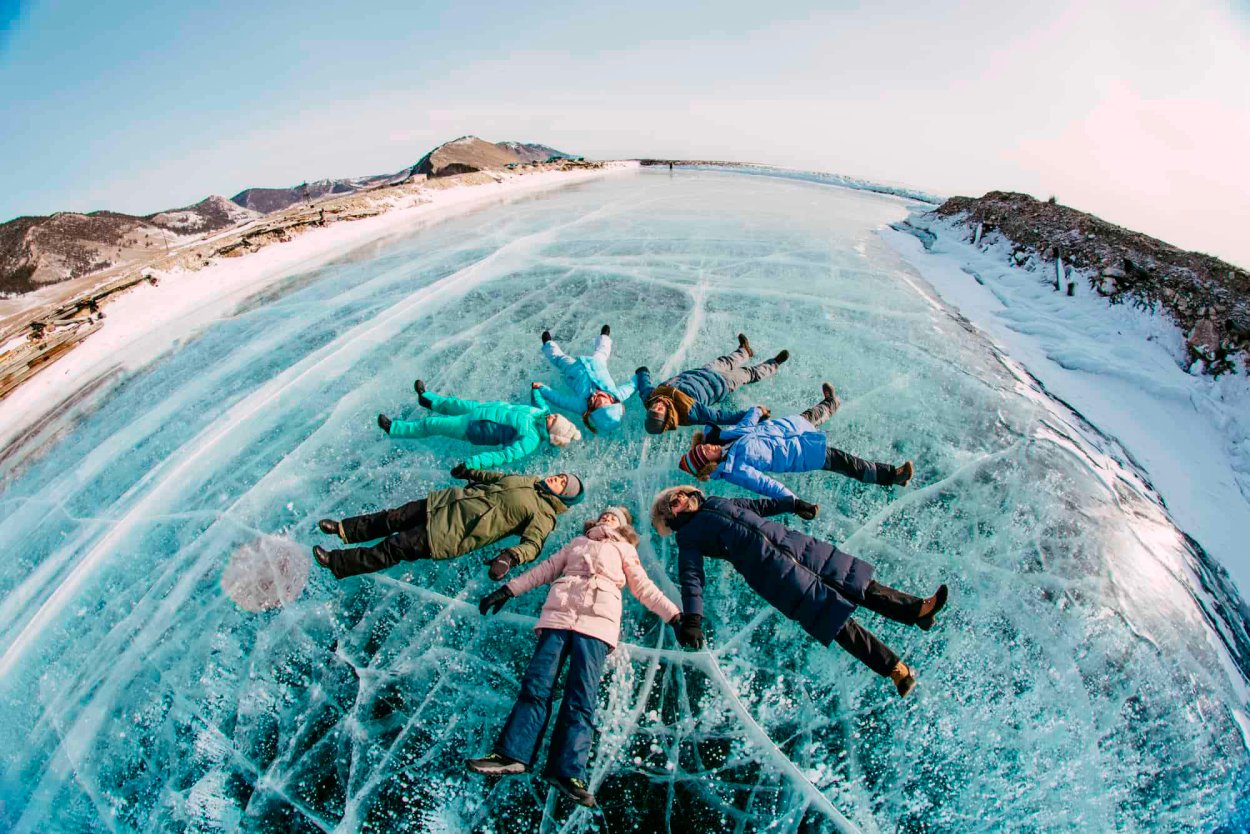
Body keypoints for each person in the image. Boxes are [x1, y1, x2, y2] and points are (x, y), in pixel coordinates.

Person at [467, 507, 680, 807]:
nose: (608, 517)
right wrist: (508, 590)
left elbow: (643, 588)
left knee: (580, 697)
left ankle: (567, 772)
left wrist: (675, 616)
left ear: (623, 526)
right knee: (536, 686)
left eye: (614, 517)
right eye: (606, 514)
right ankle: (511, 755)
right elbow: (544, 570)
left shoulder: (624, 549)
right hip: (557, 618)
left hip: (597, 623)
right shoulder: (577, 543)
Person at [650, 485, 947, 697]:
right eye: (672, 502)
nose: (679, 497)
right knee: (839, 624)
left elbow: (760, 506)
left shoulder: (718, 501)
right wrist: (693, 619)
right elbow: (691, 577)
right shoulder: (688, 538)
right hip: (775, 576)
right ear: (672, 515)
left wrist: (792, 504)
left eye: (679, 494)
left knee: (860, 585)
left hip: (802, 549)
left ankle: (916, 610)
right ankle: (897, 670)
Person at [312, 468, 585, 581]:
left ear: (564, 497)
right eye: (560, 476)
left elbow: (533, 545)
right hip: (444, 503)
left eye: (563, 484)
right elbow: (497, 478)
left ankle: (336, 562)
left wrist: (510, 558)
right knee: (391, 517)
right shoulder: (530, 481)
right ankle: (344, 529)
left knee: (392, 548)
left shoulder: (544, 516)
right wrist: (470, 472)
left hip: (450, 533)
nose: (557, 480)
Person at [677, 383, 914, 499]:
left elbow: (746, 425)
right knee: (847, 462)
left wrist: (757, 410)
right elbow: (764, 485)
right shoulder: (734, 469)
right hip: (799, 453)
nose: (707, 447)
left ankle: (832, 402)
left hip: (788, 429)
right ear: (708, 464)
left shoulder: (726, 439)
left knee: (812, 415)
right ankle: (893, 476)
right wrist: (792, 501)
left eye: (702, 446)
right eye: (704, 453)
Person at [379, 382, 581, 470]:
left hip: (473, 427)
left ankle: (394, 428)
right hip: (481, 408)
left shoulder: (530, 440)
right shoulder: (541, 412)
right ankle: (426, 399)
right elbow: (538, 398)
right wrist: (537, 388)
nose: (553, 415)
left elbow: (503, 456)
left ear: (552, 432)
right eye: (556, 416)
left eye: (554, 420)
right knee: (451, 403)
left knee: (432, 424)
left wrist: (474, 463)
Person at [635, 333, 790, 435]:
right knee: (749, 373)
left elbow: (644, 387)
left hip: (703, 371)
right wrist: (753, 415)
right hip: (723, 383)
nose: (657, 405)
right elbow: (719, 417)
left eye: (653, 409)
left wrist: (642, 372)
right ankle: (774, 364)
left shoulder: (651, 398)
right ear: (667, 416)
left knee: (727, 361)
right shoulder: (689, 412)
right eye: (659, 411)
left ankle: (745, 351)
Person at [533, 325, 636, 434]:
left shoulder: (582, 406)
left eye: (597, 405)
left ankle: (548, 344)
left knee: (559, 358)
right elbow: (632, 386)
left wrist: (542, 389)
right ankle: (604, 336)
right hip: (597, 365)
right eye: (605, 402)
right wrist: (642, 375)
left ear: (592, 410)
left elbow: (560, 400)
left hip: (574, 371)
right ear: (614, 402)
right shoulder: (618, 395)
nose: (600, 398)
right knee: (602, 352)